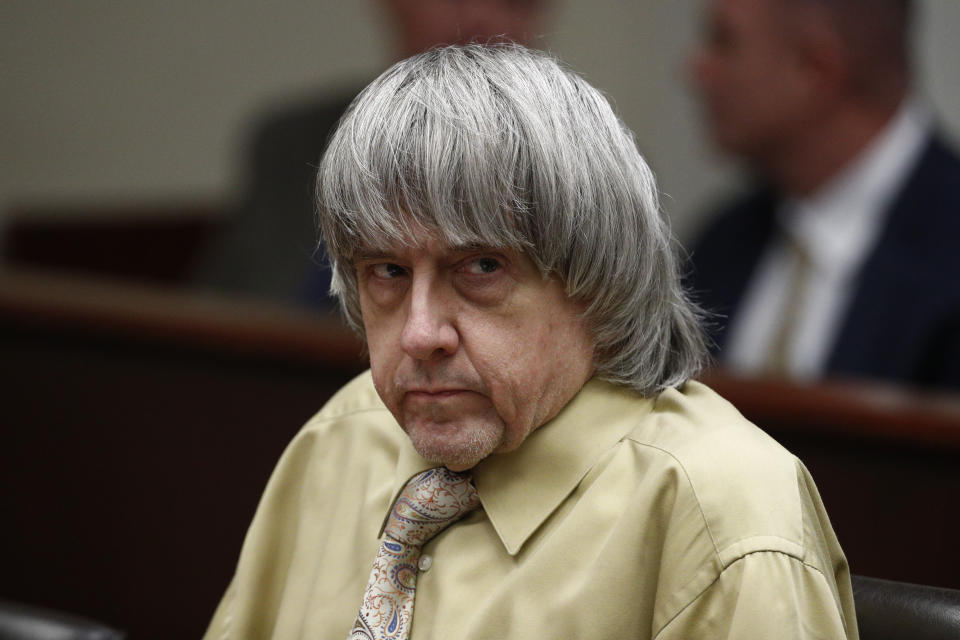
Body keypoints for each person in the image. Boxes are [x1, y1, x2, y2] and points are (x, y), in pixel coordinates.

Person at [203, 44, 857, 639]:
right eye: (388, 273)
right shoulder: (340, 442)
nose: (420, 333)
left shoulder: (721, 513)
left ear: (597, 278)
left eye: (480, 268)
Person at [191, 0, 552, 310]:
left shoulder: (565, 167)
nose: (479, 18)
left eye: (514, 1)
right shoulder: (293, 142)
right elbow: (226, 314)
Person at [686, 0, 960, 389]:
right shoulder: (720, 243)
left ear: (815, 68)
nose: (695, 68)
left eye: (723, 41)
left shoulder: (949, 252)